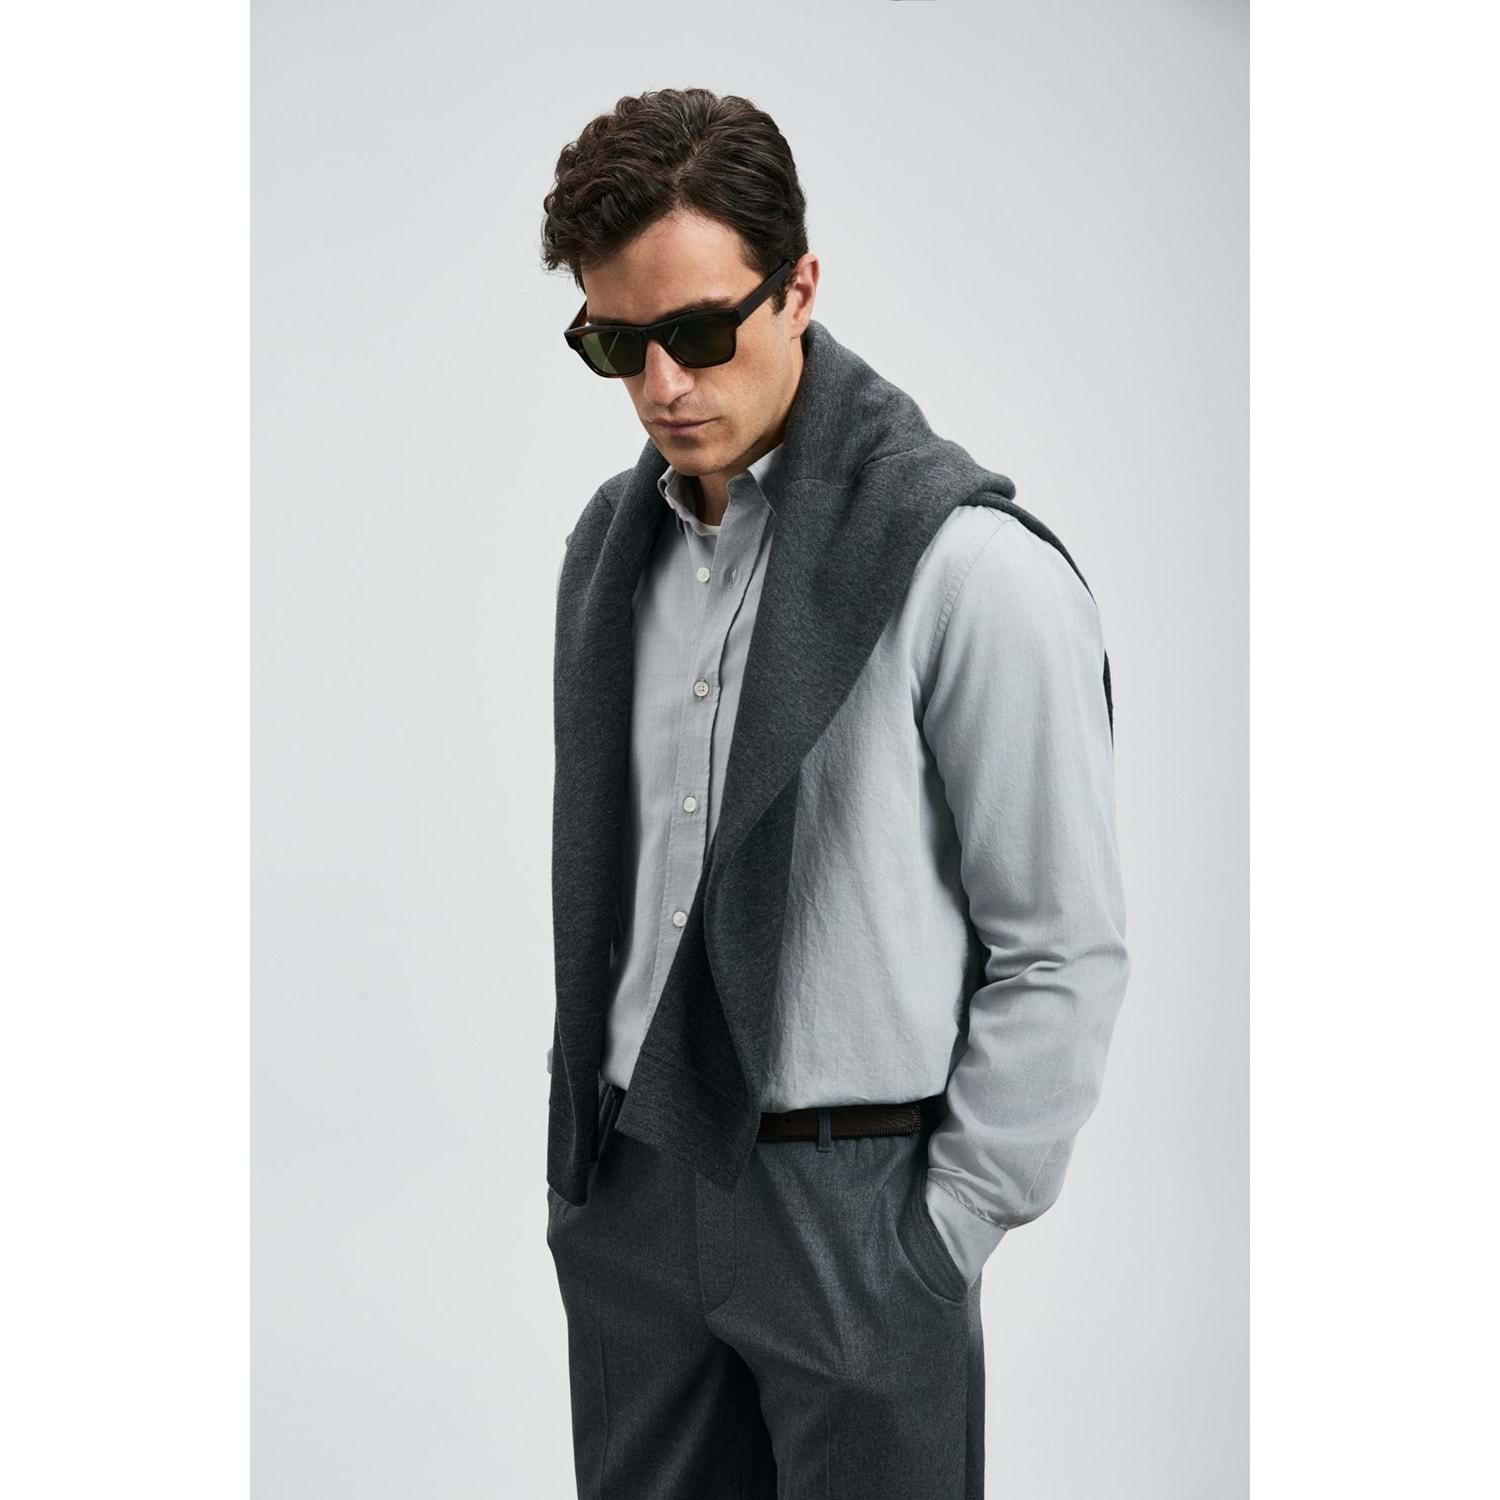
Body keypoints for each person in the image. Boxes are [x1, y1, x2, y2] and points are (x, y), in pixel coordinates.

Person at [537, 87, 1130, 1499]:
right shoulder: (610, 553)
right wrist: (586, 1186)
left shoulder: (967, 570)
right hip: (633, 1190)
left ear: (798, 287)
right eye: (617, 345)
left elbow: (1062, 947)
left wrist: (938, 1235)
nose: (663, 386)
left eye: (699, 332)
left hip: (857, 1203)